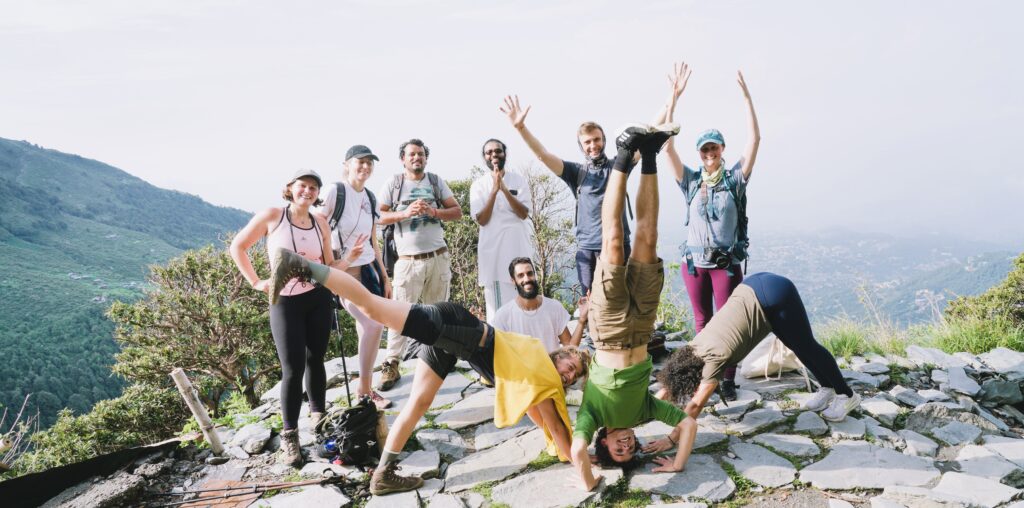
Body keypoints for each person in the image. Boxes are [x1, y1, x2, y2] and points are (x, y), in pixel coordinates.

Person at [265, 247, 589, 496]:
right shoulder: (540, 369)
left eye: (572, 377)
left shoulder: (531, 374)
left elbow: (537, 413)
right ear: (560, 354)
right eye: (569, 366)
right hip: (455, 326)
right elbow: (560, 436)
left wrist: (563, 435)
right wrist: (586, 461)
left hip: (455, 342)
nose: (567, 376)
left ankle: (383, 474)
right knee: (372, 306)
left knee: (417, 404)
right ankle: (300, 264)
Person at [569, 124, 698, 491]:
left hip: (607, 331)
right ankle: (652, 155)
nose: (627, 445)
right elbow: (688, 425)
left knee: (613, 241)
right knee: (648, 237)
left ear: (604, 444)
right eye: (631, 450)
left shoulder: (591, 418)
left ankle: (624, 157)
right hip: (642, 326)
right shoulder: (644, 412)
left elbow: (578, 451)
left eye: (618, 450)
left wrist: (590, 479)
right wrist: (677, 462)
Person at [229, 169, 362, 467]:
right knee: (291, 368)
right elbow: (238, 246)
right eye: (303, 185)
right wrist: (255, 282)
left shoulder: (321, 222)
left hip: (318, 299)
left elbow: (329, 266)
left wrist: (350, 258)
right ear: (290, 188)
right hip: (285, 302)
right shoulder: (273, 216)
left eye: (314, 187)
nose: (309, 191)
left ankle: (319, 421)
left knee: (316, 359)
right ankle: (290, 437)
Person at [662, 63, 761, 401]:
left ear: (721, 151)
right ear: (700, 154)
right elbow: (666, 147)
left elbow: (755, 140)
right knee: (702, 324)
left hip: (724, 263)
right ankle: (707, 378)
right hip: (695, 265)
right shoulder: (690, 182)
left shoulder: (735, 180)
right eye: (704, 150)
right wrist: (674, 99)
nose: (709, 154)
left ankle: (729, 380)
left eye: (714, 149)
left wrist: (747, 98)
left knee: (730, 326)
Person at [656, 272, 862, 424]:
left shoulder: (713, 361)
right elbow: (670, 381)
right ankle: (827, 387)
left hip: (775, 295)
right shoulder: (692, 347)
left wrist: (672, 438)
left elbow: (696, 405)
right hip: (754, 286)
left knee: (807, 345)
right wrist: (644, 412)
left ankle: (846, 395)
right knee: (797, 345)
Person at [501, 96, 632, 298]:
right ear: (581, 146)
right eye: (587, 142)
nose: (593, 145)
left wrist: (672, 102)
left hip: (619, 244)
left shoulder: (618, 166)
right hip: (587, 249)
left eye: (597, 139)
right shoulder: (575, 172)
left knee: (621, 299)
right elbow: (543, 155)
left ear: (604, 140)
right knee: (590, 302)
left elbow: (647, 141)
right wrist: (521, 128)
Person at [376, 139, 463, 391]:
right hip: (407, 261)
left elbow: (457, 212)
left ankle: (438, 358)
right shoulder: (394, 184)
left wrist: (434, 212)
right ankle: (392, 363)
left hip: (437, 256)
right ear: (403, 158)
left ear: (426, 158)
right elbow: (378, 216)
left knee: (439, 312)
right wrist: (405, 213)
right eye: (412, 154)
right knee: (399, 314)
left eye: (421, 154)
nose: (417, 158)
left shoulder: (435, 182)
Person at [317, 145, 393, 410]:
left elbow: (373, 239)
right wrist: (330, 266)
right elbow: (318, 226)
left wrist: (385, 276)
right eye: (360, 162)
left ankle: (367, 387)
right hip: (343, 274)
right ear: (347, 164)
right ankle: (365, 390)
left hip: (368, 271)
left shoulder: (370, 198)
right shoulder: (335, 191)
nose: (365, 167)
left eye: (370, 163)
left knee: (369, 327)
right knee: (374, 326)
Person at [470, 138, 536, 320]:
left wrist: (505, 190)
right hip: (494, 255)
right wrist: (493, 191)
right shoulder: (478, 185)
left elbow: (523, 214)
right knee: (498, 312)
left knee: (525, 299)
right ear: (484, 157)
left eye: (497, 151)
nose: (494, 155)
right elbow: (482, 219)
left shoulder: (519, 180)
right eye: (489, 152)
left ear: (505, 153)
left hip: (518, 248)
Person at [491, 257, 588, 353]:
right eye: (520, 275)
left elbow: (570, 349)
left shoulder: (554, 307)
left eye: (530, 273)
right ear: (513, 281)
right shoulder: (503, 316)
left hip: (551, 368)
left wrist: (582, 320)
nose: (527, 279)